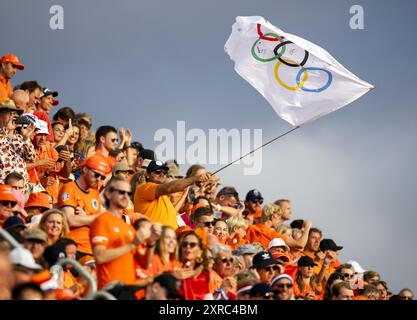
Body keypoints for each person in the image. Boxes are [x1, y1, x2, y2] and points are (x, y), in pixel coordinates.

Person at [90, 176, 153, 289]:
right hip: (110, 289)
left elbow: (144, 264)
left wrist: (151, 243)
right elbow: (100, 256)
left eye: (129, 193)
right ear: (108, 194)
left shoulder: (128, 227)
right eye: (121, 192)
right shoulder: (102, 220)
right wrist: (132, 244)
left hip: (128, 288)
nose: (126, 197)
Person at [58, 155, 111, 257]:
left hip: (93, 248)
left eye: (102, 177)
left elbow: (102, 223)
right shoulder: (69, 188)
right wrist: (95, 218)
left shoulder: (95, 193)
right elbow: (70, 220)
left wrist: (85, 217)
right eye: (96, 175)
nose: (99, 179)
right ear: (85, 169)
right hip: (74, 247)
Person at [134, 160, 211, 230]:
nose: (162, 174)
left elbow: (172, 213)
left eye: (164, 172)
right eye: (157, 172)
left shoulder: (163, 195)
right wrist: (195, 178)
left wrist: (184, 197)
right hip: (154, 237)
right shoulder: (144, 188)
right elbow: (170, 187)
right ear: (147, 174)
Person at [0, 100, 36, 190]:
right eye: (9, 113)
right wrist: (5, 130)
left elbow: (31, 158)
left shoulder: (20, 138)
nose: (13, 116)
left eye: (15, 113)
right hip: (3, 189)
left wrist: (27, 138)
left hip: (21, 189)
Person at [245, 203, 312, 250]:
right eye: (279, 218)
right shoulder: (271, 234)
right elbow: (300, 244)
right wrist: (307, 227)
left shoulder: (251, 228)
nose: (280, 221)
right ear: (272, 217)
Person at [177, 231, 213, 300]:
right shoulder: (175, 267)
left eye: (192, 245)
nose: (188, 247)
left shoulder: (204, 274)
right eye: (184, 244)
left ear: (200, 251)